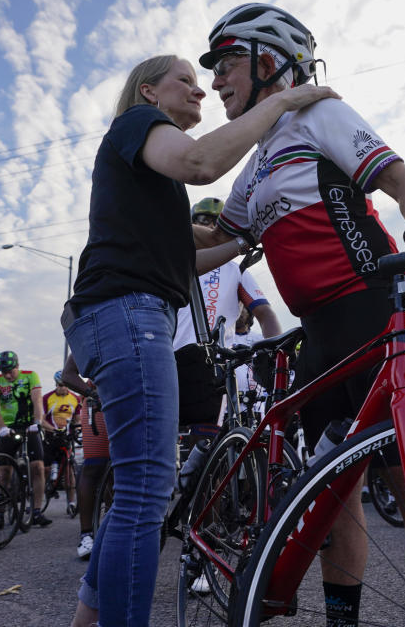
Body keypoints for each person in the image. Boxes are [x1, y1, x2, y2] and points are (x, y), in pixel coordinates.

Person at [196, 3, 405, 623]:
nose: (216, 81)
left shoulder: (319, 112)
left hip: (368, 312)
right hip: (315, 335)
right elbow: (218, 245)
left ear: (269, 61)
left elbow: (401, 181)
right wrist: (136, 239)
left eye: (227, 61)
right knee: (333, 495)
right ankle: (342, 618)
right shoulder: (258, 158)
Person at [63, 53, 336, 627]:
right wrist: (282, 100)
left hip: (128, 314)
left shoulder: (150, 185)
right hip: (125, 311)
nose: (200, 91)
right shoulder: (135, 126)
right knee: (147, 486)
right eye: (185, 81)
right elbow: (199, 161)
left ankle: (88, 617)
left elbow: (195, 251)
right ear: (148, 93)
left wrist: (244, 238)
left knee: (139, 482)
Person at [173, 196, 283, 442]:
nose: (208, 229)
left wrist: (274, 352)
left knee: (204, 450)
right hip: (167, 359)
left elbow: (265, 313)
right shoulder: (173, 263)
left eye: (215, 224)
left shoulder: (235, 269)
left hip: (212, 366)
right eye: (201, 223)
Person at [0, 351, 53, 527]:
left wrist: (38, 421)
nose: (7, 375)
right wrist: (1, 427)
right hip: (8, 428)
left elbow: (37, 399)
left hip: (30, 426)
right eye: (4, 372)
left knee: (38, 467)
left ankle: (37, 511)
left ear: (17, 366)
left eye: (10, 371)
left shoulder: (30, 376)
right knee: (4, 471)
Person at [58, 355, 109, 561]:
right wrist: (91, 393)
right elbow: (68, 374)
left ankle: (112, 529)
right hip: (98, 402)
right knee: (94, 466)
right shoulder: (95, 325)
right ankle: (86, 534)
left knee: (121, 471)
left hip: (130, 399)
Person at [43, 370, 83, 516]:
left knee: (68, 470)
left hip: (67, 437)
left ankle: (71, 503)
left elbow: (77, 419)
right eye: (60, 385)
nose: (63, 388)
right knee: (46, 468)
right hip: (51, 436)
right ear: (56, 384)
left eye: (66, 385)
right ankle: (48, 485)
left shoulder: (75, 398)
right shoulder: (47, 397)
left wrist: (78, 428)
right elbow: (41, 419)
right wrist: (53, 429)